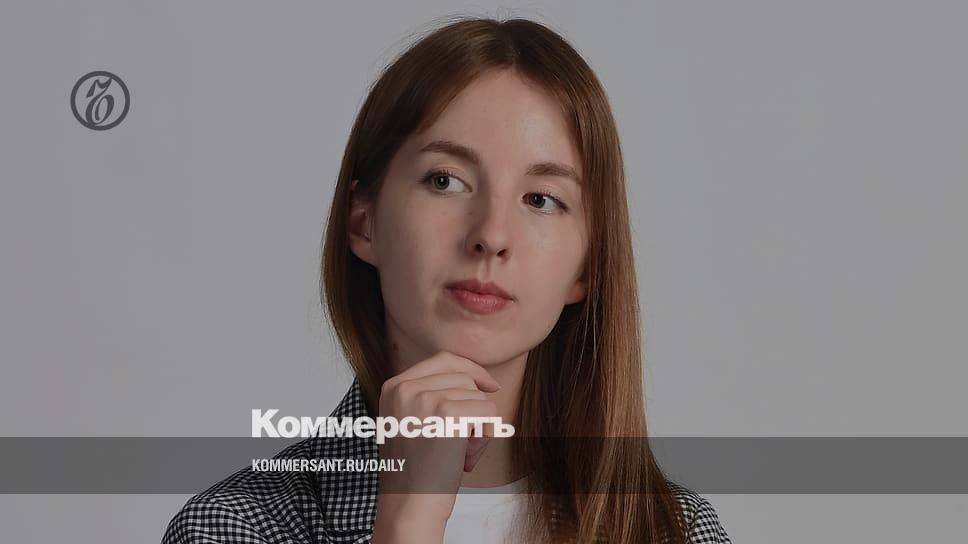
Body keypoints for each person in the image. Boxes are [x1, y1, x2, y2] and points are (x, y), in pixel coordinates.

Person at [163, 16, 731, 544]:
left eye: (541, 199)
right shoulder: (236, 526)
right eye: (445, 181)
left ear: (586, 267)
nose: (491, 235)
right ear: (363, 223)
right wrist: (407, 521)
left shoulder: (676, 530)